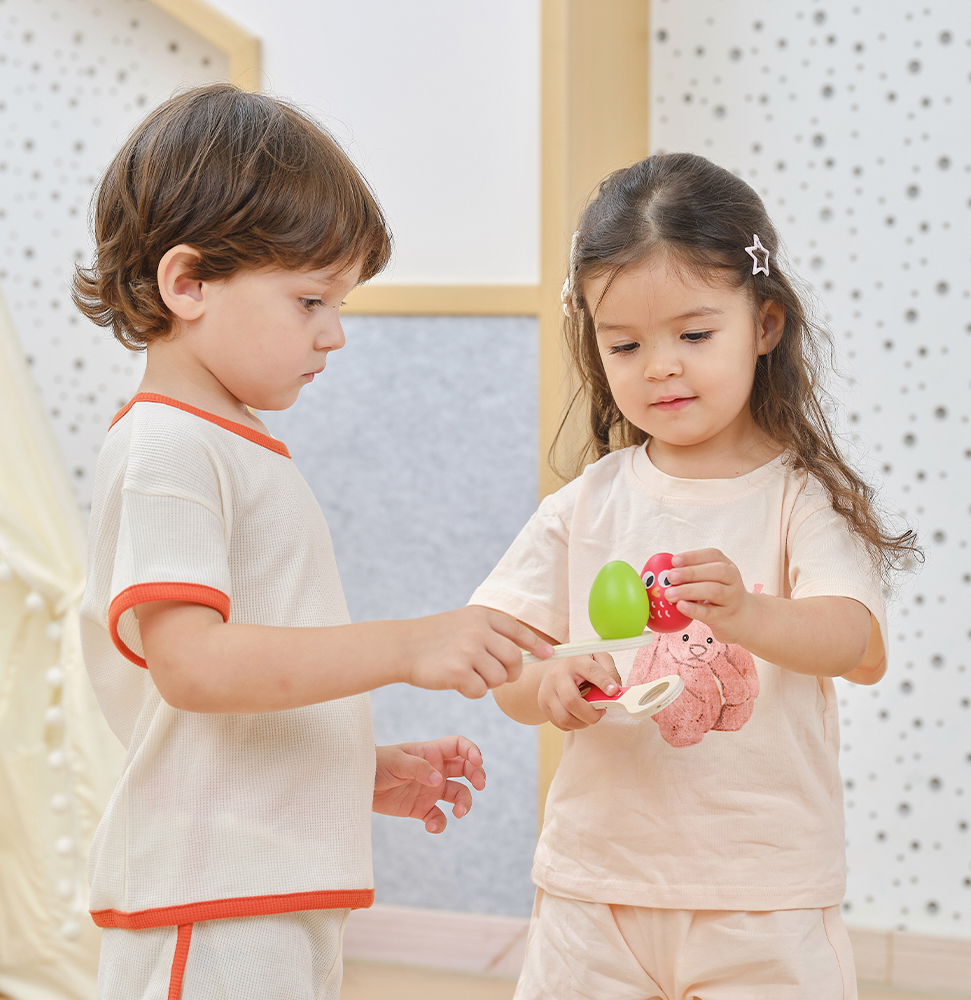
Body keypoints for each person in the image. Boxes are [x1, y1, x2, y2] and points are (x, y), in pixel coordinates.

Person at [73, 84, 552, 1000]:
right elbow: (194, 669)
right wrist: (407, 646)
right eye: (309, 300)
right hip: (209, 898)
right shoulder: (167, 446)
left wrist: (348, 770)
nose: (334, 334)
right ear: (188, 283)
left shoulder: (228, 444)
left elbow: (228, 704)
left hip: (258, 890)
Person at [470, 152, 918, 1000]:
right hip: (595, 886)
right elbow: (505, 658)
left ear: (765, 324)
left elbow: (851, 639)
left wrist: (748, 613)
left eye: (694, 335)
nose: (660, 366)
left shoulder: (799, 497)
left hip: (763, 893)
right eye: (625, 344)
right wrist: (548, 682)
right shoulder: (585, 503)